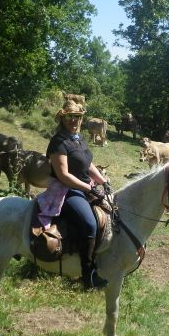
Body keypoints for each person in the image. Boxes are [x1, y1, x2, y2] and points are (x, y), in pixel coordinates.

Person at [37, 99, 109, 290]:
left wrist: (102, 181)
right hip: (65, 190)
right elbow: (64, 175)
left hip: (84, 187)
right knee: (89, 224)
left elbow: (87, 164)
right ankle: (88, 276)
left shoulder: (78, 138)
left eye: (77, 117)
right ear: (63, 118)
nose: (74, 121)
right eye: (70, 117)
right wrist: (89, 188)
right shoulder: (58, 142)